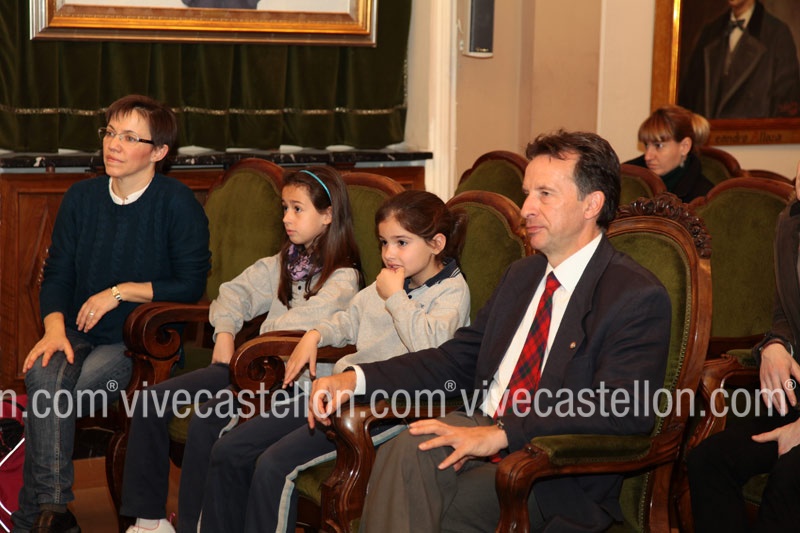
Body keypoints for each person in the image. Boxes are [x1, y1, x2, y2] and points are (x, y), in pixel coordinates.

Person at [309, 130, 672, 532]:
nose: (527, 208)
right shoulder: (522, 276)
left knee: (428, 513)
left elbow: (621, 409)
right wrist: (355, 379)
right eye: (527, 193)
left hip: (549, 468)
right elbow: (454, 361)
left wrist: (502, 433)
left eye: (545, 194)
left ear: (592, 204)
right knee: (407, 448)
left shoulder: (633, 294)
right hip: (480, 425)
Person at [187, 189, 470, 532]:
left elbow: (432, 351)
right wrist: (315, 334)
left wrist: (396, 297)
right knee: (230, 449)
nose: (389, 254)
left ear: (436, 244)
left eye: (401, 243)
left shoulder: (451, 292)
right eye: (383, 242)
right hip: (336, 393)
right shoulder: (392, 280)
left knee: (274, 465)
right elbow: (348, 320)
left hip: (385, 408)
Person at [120, 167, 362, 533]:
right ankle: (149, 523)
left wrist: (254, 343)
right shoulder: (285, 261)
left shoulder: (344, 277)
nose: (287, 218)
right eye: (284, 208)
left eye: (297, 209)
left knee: (208, 420)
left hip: (288, 385)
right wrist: (225, 332)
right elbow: (234, 292)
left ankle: (194, 526)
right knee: (151, 400)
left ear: (328, 216)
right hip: (252, 368)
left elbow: (300, 325)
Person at [13, 94, 211, 533]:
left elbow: (190, 285)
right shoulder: (81, 198)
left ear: (159, 151)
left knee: (56, 400)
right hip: (75, 330)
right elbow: (57, 274)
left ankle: (38, 518)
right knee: (43, 375)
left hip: (137, 341)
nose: (113, 144)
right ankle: (53, 511)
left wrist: (119, 293)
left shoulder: (177, 203)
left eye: (129, 137)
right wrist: (52, 330)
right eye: (110, 132)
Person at [687, 163, 800, 532]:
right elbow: (784, 313)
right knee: (708, 461)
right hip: (796, 397)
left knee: (789, 476)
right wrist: (776, 345)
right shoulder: (790, 222)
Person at [678, 0, 800, 119]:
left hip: (753, 132)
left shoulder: (777, 34)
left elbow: (787, 112)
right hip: (709, 132)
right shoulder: (709, 33)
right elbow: (687, 103)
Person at [626, 105, 713, 203]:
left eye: (658, 146)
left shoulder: (703, 199)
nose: (647, 157)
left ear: (684, 146)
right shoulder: (626, 177)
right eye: (646, 145)